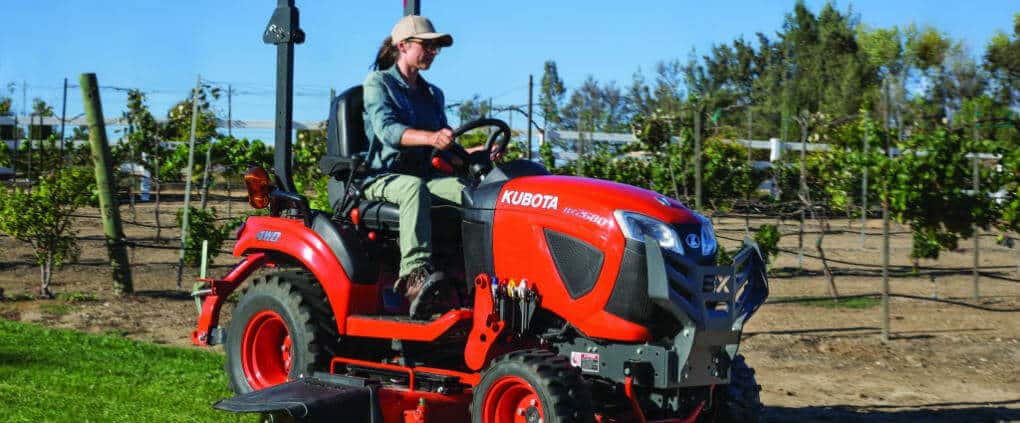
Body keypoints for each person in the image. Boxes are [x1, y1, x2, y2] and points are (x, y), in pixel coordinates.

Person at [362, 15, 475, 318]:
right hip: (381, 177)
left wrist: (474, 152)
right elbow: (387, 131)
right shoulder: (378, 83)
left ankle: (470, 272)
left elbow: (445, 142)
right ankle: (414, 277)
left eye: (436, 48)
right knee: (412, 188)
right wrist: (431, 137)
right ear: (403, 46)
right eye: (427, 46)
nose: (433, 52)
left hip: (426, 176)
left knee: (468, 191)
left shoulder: (433, 94)